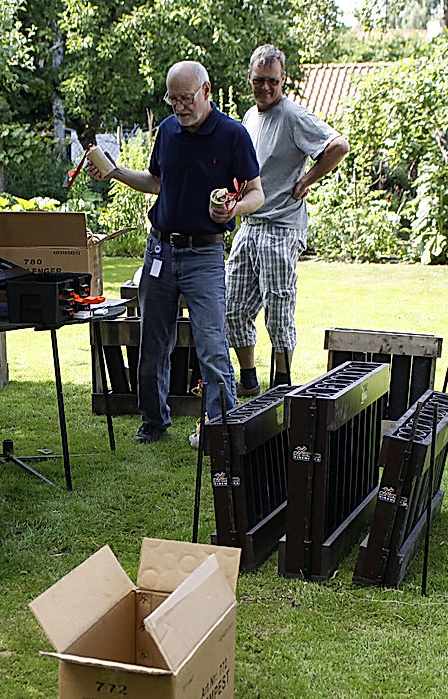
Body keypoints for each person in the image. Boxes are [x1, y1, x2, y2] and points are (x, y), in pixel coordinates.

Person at [89, 61, 264, 443]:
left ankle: (221, 428)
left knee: (212, 344)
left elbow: (257, 193)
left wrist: (234, 208)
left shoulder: (233, 135)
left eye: (186, 99)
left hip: (204, 255)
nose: (180, 108)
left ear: (206, 91)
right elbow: (156, 182)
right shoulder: (168, 130)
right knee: (153, 341)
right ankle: (153, 421)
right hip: (160, 251)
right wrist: (116, 172)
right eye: (173, 100)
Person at [225, 44, 350, 395]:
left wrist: (306, 181)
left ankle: (282, 384)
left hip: (281, 226)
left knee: (278, 309)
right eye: (259, 80)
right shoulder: (250, 116)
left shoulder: (293, 115)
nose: (266, 87)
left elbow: (338, 146)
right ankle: (249, 380)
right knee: (233, 307)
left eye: (273, 81)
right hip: (250, 224)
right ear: (250, 78)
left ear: (283, 80)